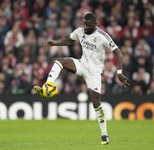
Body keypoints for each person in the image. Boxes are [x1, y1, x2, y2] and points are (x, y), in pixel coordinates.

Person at [34, 13, 130, 145]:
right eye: (84, 24)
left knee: (96, 103)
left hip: (94, 72)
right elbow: (69, 40)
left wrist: (119, 72)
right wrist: (55, 43)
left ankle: (104, 134)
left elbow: (118, 52)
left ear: (95, 24)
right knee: (60, 61)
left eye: (88, 25)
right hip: (82, 64)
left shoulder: (103, 36)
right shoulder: (80, 30)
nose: (85, 27)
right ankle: (47, 87)